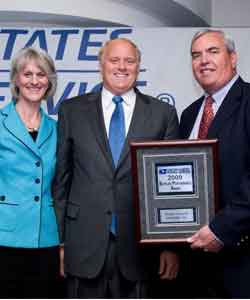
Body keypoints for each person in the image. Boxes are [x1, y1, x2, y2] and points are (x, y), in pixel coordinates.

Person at [53, 37, 180, 298]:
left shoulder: (163, 114)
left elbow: (170, 190)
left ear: (138, 66)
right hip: (82, 244)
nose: (122, 67)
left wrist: (170, 246)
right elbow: (61, 180)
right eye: (114, 60)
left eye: (129, 60)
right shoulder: (71, 110)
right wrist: (60, 241)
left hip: (141, 251)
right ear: (101, 64)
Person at [179, 29, 250, 298]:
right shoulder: (189, 114)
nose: (203, 60)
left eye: (213, 51)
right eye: (196, 55)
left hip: (241, 259)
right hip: (195, 258)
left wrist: (220, 230)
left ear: (233, 58)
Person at [0, 47, 61, 298]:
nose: (34, 81)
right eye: (27, 74)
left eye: (41, 74)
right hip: (5, 238)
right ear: (16, 79)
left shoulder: (57, 129)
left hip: (46, 238)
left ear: (49, 82)